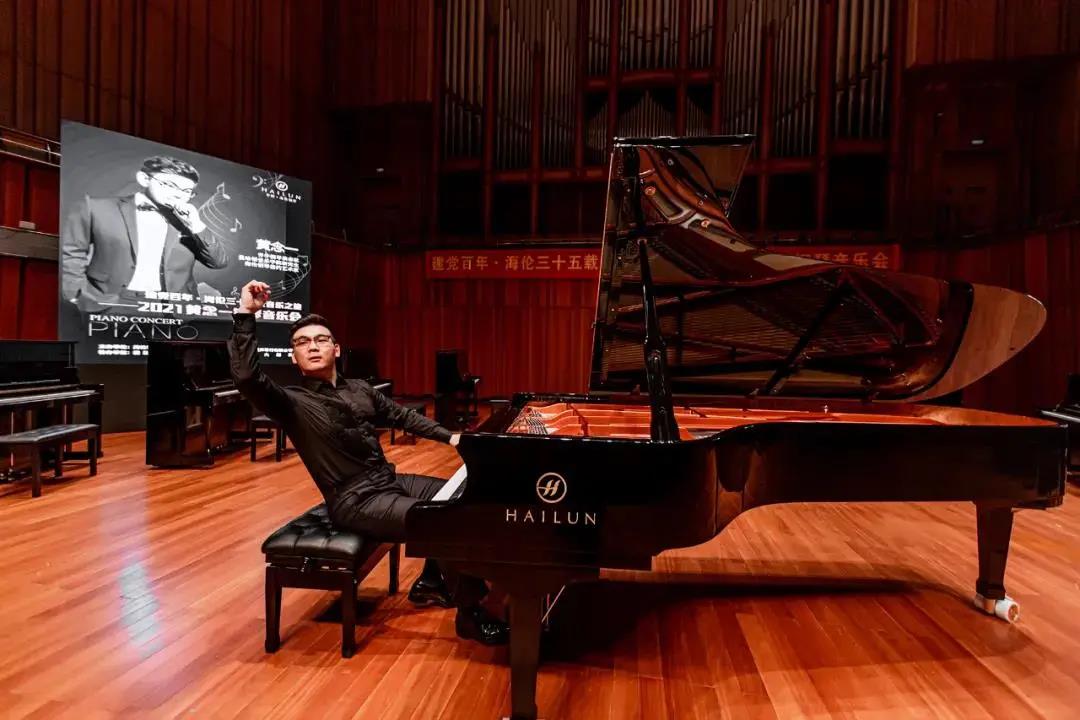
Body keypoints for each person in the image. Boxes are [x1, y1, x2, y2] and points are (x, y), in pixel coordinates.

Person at [227, 279, 508, 646]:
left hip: (387, 481)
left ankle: (432, 581)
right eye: (302, 343)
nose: (312, 346)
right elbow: (247, 377)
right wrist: (245, 314)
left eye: (320, 340)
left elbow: (402, 417)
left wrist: (453, 438)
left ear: (335, 349)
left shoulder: (359, 389)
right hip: (355, 501)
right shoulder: (291, 402)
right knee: (443, 521)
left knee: (459, 494)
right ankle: (471, 614)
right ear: (294, 358)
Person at [61, 155, 229, 313]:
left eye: (186, 191)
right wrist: (74, 293)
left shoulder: (188, 221)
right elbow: (72, 252)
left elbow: (218, 262)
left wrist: (197, 225)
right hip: (110, 302)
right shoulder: (96, 208)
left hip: (175, 308)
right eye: (170, 185)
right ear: (144, 179)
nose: (179, 194)